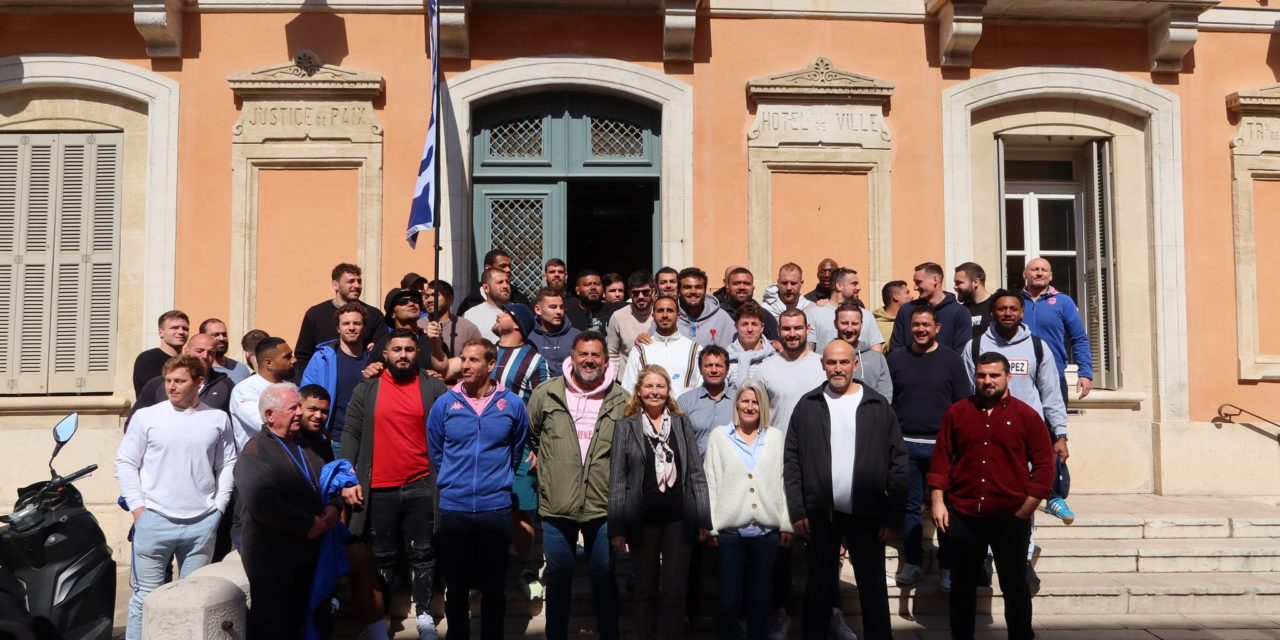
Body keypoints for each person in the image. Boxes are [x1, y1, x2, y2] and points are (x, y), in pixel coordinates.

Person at [784, 339, 908, 640]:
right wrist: (798, 510)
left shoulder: (877, 405)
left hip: (867, 514)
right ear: (823, 365)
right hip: (820, 515)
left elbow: (899, 465)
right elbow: (792, 461)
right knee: (818, 587)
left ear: (855, 364)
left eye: (843, 362)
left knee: (873, 588)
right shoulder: (808, 405)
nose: (837, 368)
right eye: (831, 362)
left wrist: (892, 519)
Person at [929, 353, 1054, 640]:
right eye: (982, 375)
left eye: (994, 375)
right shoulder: (958, 412)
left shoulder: (1026, 416)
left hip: (1010, 516)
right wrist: (937, 500)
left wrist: (1026, 509)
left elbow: (1045, 467)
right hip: (964, 515)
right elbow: (941, 459)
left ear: (1008, 377)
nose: (987, 381)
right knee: (962, 586)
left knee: (1015, 586)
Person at [115, 354, 236, 640]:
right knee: (145, 596)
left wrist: (218, 508)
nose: (172, 386)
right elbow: (125, 463)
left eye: (180, 381)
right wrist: (138, 509)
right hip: (153, 519)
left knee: (192, 600)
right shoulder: (147, 417)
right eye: (168, 380)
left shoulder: (217, 418)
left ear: (199, 382)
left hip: (201, 522)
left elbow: (228, 463)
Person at [340, 329, 449, 640]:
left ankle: (424, 613)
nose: (403, 354)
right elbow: (351, 433)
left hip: (421, 484)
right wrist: (348, 477)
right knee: (382, 555)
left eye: (410, 349)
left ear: (418, 353)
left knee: (423, 552)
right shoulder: (368, 388)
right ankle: (382, 616)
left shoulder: (434, 387)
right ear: (385, 354)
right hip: (379, 486)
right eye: (397, 349)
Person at [964, 291, 1072, 589]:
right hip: (983, 437)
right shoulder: (974, 346)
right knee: (984, 496)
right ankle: (984, 559)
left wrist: (1059, 434)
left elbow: (1051, 393)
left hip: (1026, 438)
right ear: (992, 313)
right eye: (1001, 309)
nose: (1008, 313)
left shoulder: (1038, 347)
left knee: (1027, 499)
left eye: (1013, 308)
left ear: (1022, 312)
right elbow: (965, 394)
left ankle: (1023, 560)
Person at [526, 331, 627, 640]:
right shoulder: (547, 393)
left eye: (596, 355)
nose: (589, 360)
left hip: (602, 505)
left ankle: (609, 634)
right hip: (557, 503)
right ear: (572, 356)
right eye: (583, 354)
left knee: (602, 575)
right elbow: (533, 437)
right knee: (558, 576)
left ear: (606, 360)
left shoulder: (622, 399)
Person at [427, 338, 529, 640]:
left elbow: (516, 448)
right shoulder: (445, 404)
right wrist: (453, 478)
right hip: (454, 507)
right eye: (464, 359)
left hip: (494, 508)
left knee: (494, 587)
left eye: (473, 360)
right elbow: (436, 449)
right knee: (456, 587)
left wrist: (498, 480)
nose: (466, 366)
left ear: (490, 364)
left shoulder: (511, 404)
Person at [609, 365, 712, 640]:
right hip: (642, 520)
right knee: (644, 590)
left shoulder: (681, 423)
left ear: (668, 391)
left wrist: (703, 518)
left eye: (660, 386)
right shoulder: (625, 426)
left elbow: (695, 473)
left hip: (679, 518)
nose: (655, 392)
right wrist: (617, 528)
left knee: (676, 591)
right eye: (649, 386)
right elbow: (618, 478)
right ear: (639, 391)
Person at [235, 382, 343, 640]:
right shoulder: (254, 452)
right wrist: (309, 524)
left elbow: (327, 482)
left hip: (309, 554)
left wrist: (333, 505)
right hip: (273, 558)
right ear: (270, 415)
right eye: (293, 408)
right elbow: (263, 505)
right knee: (275, 627)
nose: (300, 413)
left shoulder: (306, 445)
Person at [749, 308, 828, 638]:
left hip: (821, 463)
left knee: (822, 544)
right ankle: (782, 611)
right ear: (778, 329)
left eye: (798, 328)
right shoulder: (765, 368)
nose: (793, 333)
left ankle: (828, 611)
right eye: (786, 328)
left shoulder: (824, 363)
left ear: (807, 329)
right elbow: (754, 415)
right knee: (779, 544)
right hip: (778, 464)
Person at [888, 305, 970, 589]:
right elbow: (889, 403)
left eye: (926, 325)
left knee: (945, 507)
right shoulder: (896, 359)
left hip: (942, 448)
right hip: (906, 446)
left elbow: (963, 405)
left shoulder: (952, 361)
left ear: (937, 328)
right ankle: (912, 564)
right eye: (916, 325)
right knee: (910, 508)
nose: (920, 329)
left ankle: (947, 568)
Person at [704, 380, 792, 640]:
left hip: (766, 533)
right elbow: (711, 482)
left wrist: (786, 522)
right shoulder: (719, 436)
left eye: (755, 402)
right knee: (730, 600)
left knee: (761, 599)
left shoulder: (774, 438)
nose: (750, 406)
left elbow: (783, 482)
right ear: (736, 404)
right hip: (730, 533)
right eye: (745, 401)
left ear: (762, 406)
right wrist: (711, 526)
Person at [491, 302, 550, 600]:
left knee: (522, 509)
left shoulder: (535, 360)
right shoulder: (484, 352)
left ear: (516, 323)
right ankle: (483, 571)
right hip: (484, 448)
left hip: (521, 447)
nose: (498, 315)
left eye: (505, 313)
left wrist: (539, 446)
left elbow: (546, 407)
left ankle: (526, 569)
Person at [299, 302, 372, 455]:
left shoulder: (373, 360)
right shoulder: (322, 359)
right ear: (338, 328)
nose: (351, 328)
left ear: (364, 327)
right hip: (334, 442)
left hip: (369, 442)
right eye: (346, 323)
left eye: (357, 323)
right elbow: (306, 399)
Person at [1020, 257, 1094, 404]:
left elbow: (1079, 339)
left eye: (1044, 270)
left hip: (1054, 374)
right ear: (1025, 274)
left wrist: (1085, 373)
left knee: (1054, 425)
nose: (1039, 273)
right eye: (1034, 269)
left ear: (1051, 276)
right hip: (1020, 376)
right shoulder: (1014, 300)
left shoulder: (1063, 302)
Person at [294, 263, 386, 378]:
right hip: (324, 382)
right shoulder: (315, 314)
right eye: (351, 281)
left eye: (359, 281)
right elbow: (303, 356)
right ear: (335, 285)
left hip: (363, 379)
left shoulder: (374, 314)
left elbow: (383, 351)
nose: (357, 285)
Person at [127, 333, 234, 425]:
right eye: (199, 350)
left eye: (211, 353)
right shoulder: (158, 384)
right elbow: (134, 422)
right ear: (186, 351)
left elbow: (233, 425)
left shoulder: (225, 385)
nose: (205, 356)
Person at [622, 295, 702, 394]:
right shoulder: (640, 349)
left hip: (686, 409)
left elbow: (701, 387)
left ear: (678, 316)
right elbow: (628, 389)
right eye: (660, 311)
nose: (665, 315)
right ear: (653, 316)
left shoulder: (694, 349)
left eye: (669, 310)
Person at [229, 337, 297, 451]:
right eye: (287, 357)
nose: (294, 360)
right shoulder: (245, 390)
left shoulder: (292, 388)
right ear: (269, 363)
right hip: (258, 462)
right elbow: (266, 424)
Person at [891, 262, 972, 352]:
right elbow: (896, 348)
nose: (915, 287)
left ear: (935, 280)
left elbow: (961, 352)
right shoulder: (906, 310)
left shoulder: (960, 313)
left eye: (919, 282)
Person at [806, 267, 884, 353]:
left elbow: (877, 353)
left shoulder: (867, 316)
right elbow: (808, 352)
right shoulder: (813, 314)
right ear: (839, 286)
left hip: (862, 366)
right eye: (854, 284)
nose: (859, 288)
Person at [370, 288, 448, 375]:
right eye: (403, 301)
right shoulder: (383, 343)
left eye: (415, 300)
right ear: (393, 313)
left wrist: (438, 381)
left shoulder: (433, 341)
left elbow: (448, 376)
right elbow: (373, 377)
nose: (411, 304)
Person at [676, 345, 735, 457]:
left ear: (727, 369)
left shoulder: (739, 400)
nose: (714, 370)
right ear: (701, 369)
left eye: (718, 365)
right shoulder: (685, 401)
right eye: (708, 365)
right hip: (697, 471)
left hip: (731, 470)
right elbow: (678, 441)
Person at [835, 303, 892, 401]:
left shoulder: (877, 359)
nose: (849, 328)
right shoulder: (825, 357)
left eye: (854, 323)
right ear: (835, 324)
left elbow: (885, 396)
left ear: (861, 325)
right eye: (844, 323)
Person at [456, 248, 532, 316]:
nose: (508, 270)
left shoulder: (520, 299)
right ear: (488, 268)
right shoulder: (469, 306)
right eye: (502, 266)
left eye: (509, 266)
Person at [606, 270, 656, 371]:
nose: (641, 296)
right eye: (636, 293)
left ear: (653, 292)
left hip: (656, 380)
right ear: (630, 294)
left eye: (645, 292)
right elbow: (612, 354)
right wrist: (612, 383)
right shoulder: (618, 316)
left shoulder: (663, 314)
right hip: (625, 381)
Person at [132, 310, 190, 395]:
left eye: (185, 329)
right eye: (174, 328)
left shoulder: (188, 361)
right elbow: (161, 391)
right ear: (161, 332)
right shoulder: (148, 358)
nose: (181, 332)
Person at [675, 267, 736, 348]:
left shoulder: (721, 318)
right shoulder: (668, 316)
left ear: (705, 290)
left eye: (698, 287)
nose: (693, 291)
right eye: (687, 287)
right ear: (678, 291)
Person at [421, 279, 482, 358]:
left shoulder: (468, 328)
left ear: (450, 299)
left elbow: (478, 358)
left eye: (435, 295)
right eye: (426, 296)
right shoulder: (417, 326)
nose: (429, 300)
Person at [529, 287, 580, 377]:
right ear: (538, 310)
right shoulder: (528, 336)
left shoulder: (576, 336)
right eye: (553, 307)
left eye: (561, 307)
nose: (559, 311)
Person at [718, 267, 780, 340]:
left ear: (753, 287)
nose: (742, 287)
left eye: (746, 284)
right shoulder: (718, 315)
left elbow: (776, 345)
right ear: (727, 287)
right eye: (736, 283)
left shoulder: (766, 317)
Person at [726, 302, 777, 387]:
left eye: (754, 324)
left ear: (762, 328)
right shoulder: (726, 360)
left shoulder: (774, 358)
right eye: (744, 324)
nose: (750, 329)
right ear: (736, 327)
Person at [463, 268, 513, 343]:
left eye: (507, 282)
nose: (505, 286)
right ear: (486, 288)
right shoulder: (470, 315)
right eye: (500, 282)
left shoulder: (519, 312)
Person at [200, 318, 252, 384]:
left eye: (224, 334)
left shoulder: (241, 369)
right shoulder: (196, 369)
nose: (222, 338)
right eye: (216, 335)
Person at [955, 262, 993, 338]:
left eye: (959, 283)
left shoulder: (996, 306)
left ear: (975, 282)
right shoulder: (961, 310)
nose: (955, 287)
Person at [875, 280, 911, 354]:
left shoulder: (910, 321)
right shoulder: (876, 326)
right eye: (907, 293)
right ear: (896, 296)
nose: (912, 296)